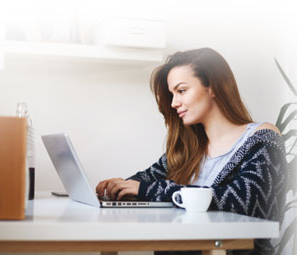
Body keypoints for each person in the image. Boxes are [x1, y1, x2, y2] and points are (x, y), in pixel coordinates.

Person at [95, 48, 288, 255]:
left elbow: (241, 200)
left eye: (182, 91)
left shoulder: (262, 138)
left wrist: (146, 190)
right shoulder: (188, 149)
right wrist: (117, 187)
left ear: (213, 87)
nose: (174, 103)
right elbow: (144, 181)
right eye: (172, 94)